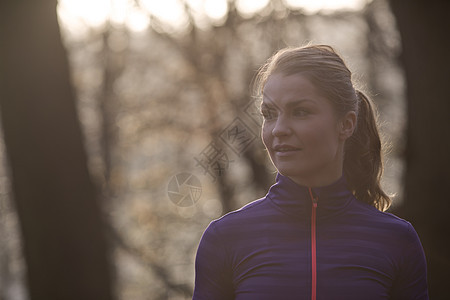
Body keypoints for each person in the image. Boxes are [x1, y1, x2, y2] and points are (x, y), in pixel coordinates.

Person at [192, 44, 428, 300]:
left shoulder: (396, 240)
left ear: (346, 124)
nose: (279, 129)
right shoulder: (225, 239)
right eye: (269, 114)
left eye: (300, 112)